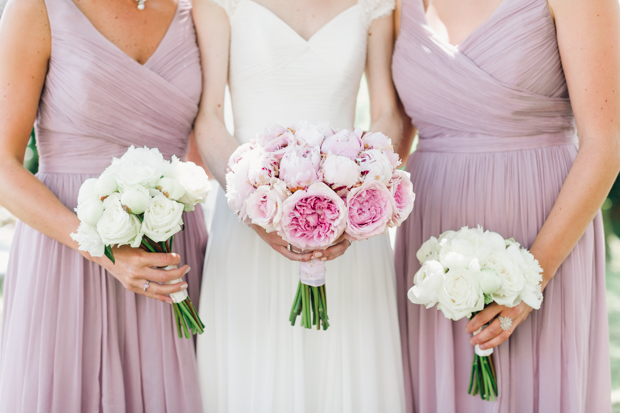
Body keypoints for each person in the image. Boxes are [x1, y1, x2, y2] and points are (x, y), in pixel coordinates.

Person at [392, 0, 619, 411]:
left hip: (542, 235)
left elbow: (606, 144)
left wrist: (530, 279)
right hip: (428, 239)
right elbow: (396, 128)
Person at [192, 0, 408, 411]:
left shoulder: (376, 4)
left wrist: (359, 187)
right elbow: (209, 118)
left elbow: (387, 114)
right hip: (250, 222)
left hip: (348, 227)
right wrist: (253, 203)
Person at [0, 0, 206, 410]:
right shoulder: (37, 8)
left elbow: (202, 151)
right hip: (66, 253)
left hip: (169, 253)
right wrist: (104, 250)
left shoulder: (195, 10)